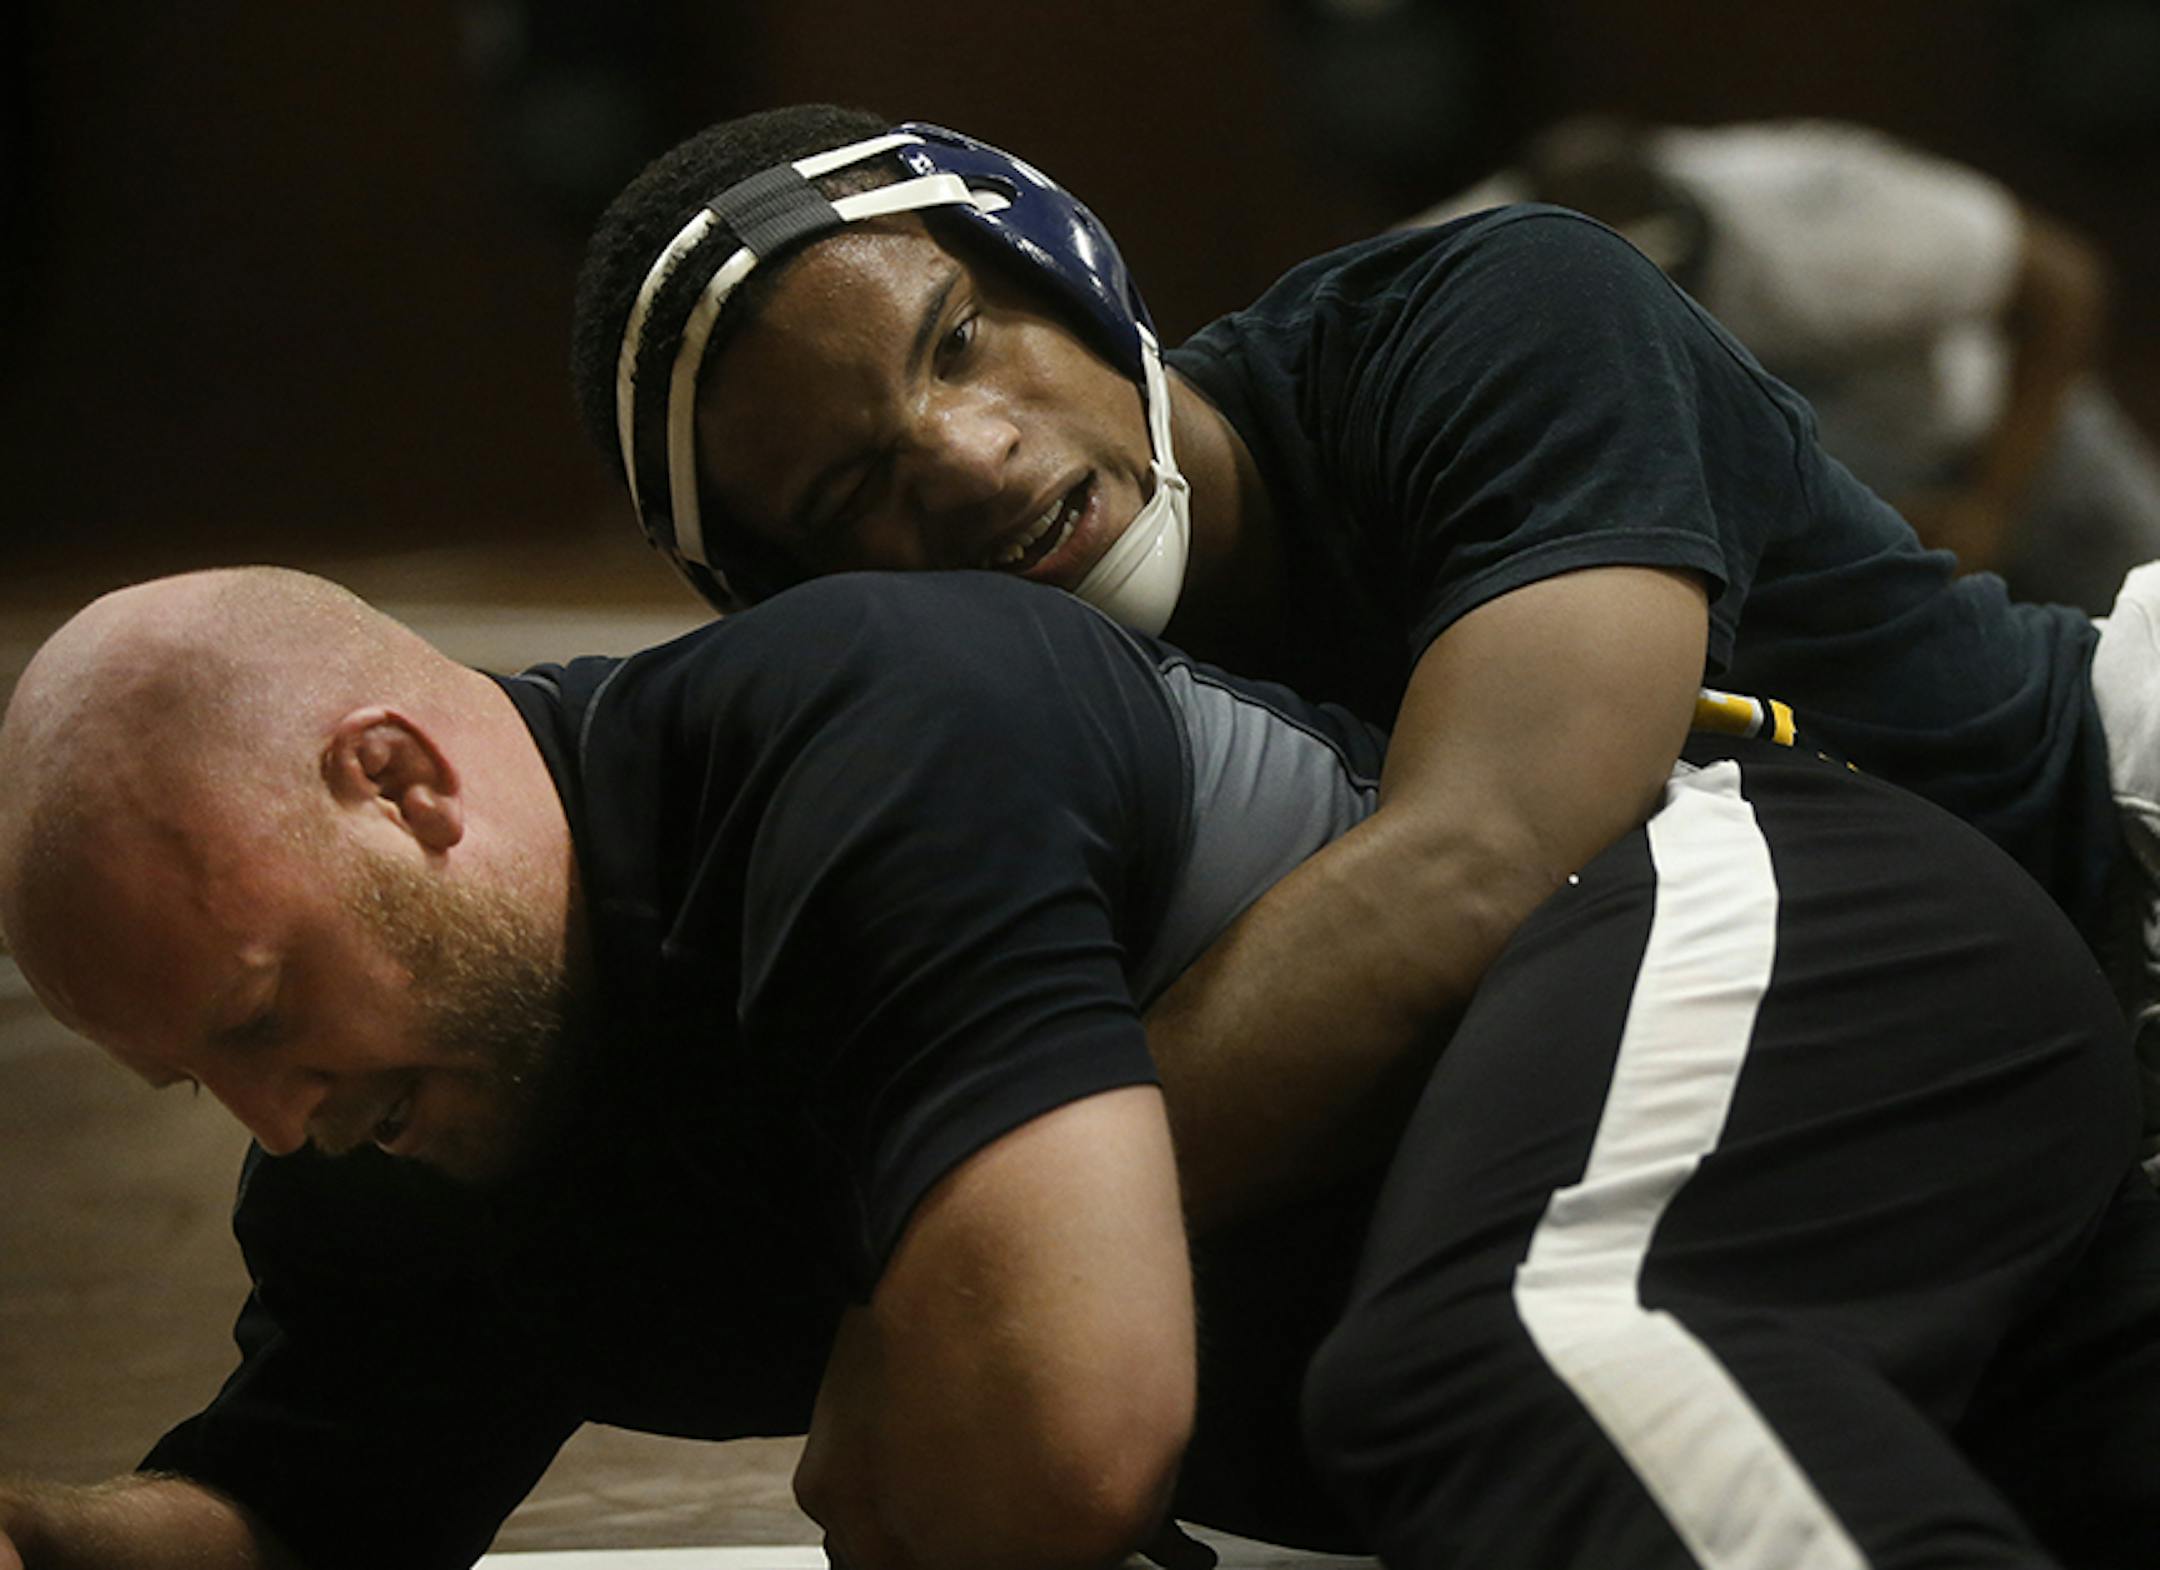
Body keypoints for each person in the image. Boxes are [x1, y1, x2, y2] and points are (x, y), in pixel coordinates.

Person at [1, 572, 2157, 1570]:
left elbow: (1066, 1440)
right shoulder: (393, 1126)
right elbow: (290, 1518)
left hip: (1771, 928)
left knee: (1503, 1352)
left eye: (262, 1017)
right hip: (1821, 1296)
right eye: (203, 1081)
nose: (273, 1117)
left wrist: (901, 1385)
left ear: (401, 779)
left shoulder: (857, 729)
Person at [566, 104, 2160, 1160]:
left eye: (964, 343)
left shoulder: (1496, 313)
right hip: (1965, 1088)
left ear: (1060, 262)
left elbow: (1487, 853)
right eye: (855, 486)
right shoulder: (1017, 711)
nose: (969, 459)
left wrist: (999, 1242)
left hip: (2112, 814)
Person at [1410, 114, 2160, 615]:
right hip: (1772, 516)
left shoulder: (1824, 221)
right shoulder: (1453, 268)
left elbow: (2062, 283)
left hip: (1976, 436)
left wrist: (1994, 501)